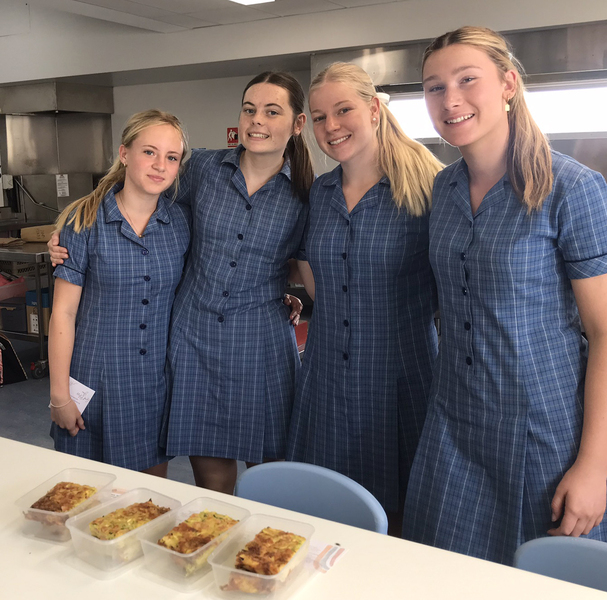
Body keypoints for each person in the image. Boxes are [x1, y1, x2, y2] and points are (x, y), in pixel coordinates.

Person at [49, 73, 311, 493]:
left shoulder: (305, 191)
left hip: (261, 341)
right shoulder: (203, 169)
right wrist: (72, 226)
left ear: (297, 124)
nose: (257, 120)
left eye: (271, 111)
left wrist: (280, 288)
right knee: (209, 479)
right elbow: (143, 193)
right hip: (193, 341)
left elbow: (297, 261)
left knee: (272, 476)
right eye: (249, 109)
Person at [403, 26, 607, 565]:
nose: (450, 100)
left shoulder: (573, 188)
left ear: (509, 84)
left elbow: (606, 333)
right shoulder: (443, 190)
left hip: (544, 430)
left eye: (468, 80)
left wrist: (595, 466)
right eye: (433, 87)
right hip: (453, 420)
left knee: (539, 577)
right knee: (442, 569)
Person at [286, 62, 443, 532]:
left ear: (374, 109)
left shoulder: (429, 188)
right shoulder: (320, 194)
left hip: (402, 377)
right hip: (327, 375)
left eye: (343, 110)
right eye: (318, 117)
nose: (331, 126)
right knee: (324, 510)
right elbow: (317, 284)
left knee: (398, 519)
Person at [49, 109, 190, 476]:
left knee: (147, 501)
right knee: (83, 499)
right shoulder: (84, 221)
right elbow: (62, 313)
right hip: (95, 381)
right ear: (124, 153)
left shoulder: (180, 224)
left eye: (171, 157)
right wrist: (59, 396)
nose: (160, 165)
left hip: (152, 386)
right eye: (149, 152)